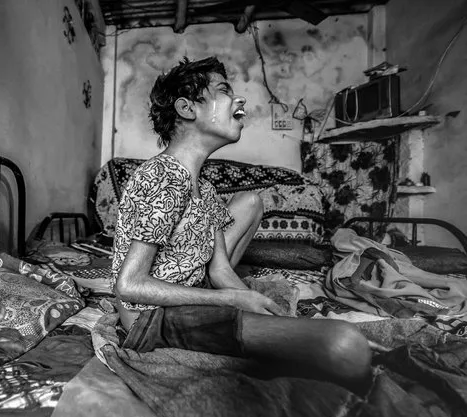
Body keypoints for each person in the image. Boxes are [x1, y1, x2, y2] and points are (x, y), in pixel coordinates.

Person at [111, 56, 372, 394]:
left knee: (332, 341)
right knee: (344, 345)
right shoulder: (162, 176)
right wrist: (229, 302)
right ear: (187, 108)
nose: (240, 100)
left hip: (190, 300)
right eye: (223, 90)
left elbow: (219, 270)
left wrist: (248, 299)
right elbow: (129, 285)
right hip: (149, 320)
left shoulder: (204, 189)